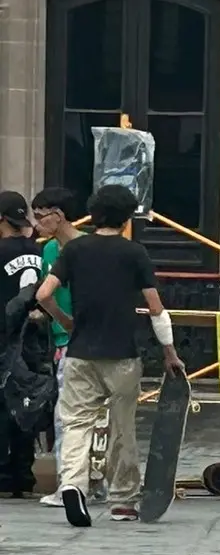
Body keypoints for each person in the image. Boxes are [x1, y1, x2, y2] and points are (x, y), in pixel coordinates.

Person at [36, 184, 185, 526]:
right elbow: (156, 308)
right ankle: (123, 500)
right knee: (122, 427)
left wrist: (66, 321)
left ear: (94, 212)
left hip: (80, 352)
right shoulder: (134, 254)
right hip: (122, 354)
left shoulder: (74, 250)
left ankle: (73, 483)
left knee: (75, 423)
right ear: (127, 217)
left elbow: (44, 294)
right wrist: (170, 352)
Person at [31, 187, 85, 506]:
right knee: (67, 414)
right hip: (60, 339)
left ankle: (72, 484)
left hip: (81, 338)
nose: (36, 224)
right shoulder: (50, 250)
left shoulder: (84, 249)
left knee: (70, 416)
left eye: (40, 217)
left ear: (58, 215)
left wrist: (64, 319)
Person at [0, 191, 43, 498]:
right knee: (26, 402)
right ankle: (24, 475)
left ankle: (2, 474)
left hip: (3, 335)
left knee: (2, 404)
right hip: (32, 339)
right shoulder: (40, 251)